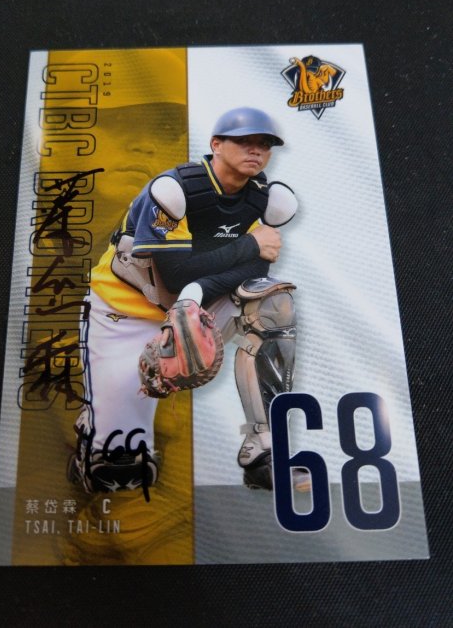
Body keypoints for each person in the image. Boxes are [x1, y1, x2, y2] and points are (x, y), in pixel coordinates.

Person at [68, 106, 308, 494]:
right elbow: (175, 274)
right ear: (216, 145)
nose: (256, 150)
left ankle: (262, 451)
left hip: (197, 306)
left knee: (272, 304)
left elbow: (254, 272)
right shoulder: (174, 191)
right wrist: (248, 245)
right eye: (244, 141)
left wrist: (197, 294)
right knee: (119, 469)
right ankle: (96, 419)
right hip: (124, 311)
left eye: (264, 144)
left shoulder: (263, 199)